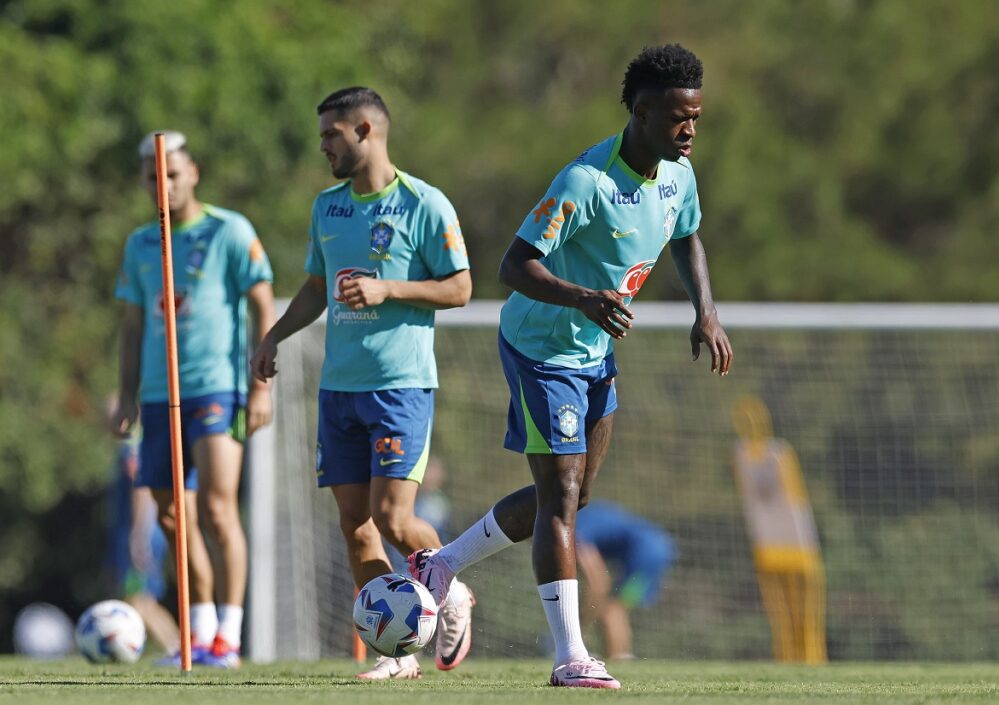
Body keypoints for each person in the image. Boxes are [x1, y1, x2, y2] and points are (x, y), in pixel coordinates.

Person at [410, 44, 732, 689]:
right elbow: (513, 265)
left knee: (578, 494)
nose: (690, 130)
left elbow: (686, 234)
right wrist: (584, 298)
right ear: (641, 113)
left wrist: (707, 312)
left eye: (696, 116)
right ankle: (570, 658)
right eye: (678, 118)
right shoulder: (585, 181)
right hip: (542, 348)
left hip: (595, 353)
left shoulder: (679, 175)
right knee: (561, 497)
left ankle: (440, 565)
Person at [250, 87, 475, 680]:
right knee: (356, 527)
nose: (323, 145)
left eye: (332, 134)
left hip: (400, 385)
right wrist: (274, 335)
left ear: (366, 132)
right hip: (338, 389)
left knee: (395, 519)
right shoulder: (328, 206)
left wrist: (389, 289)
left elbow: (459, 288)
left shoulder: (425, 204)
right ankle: (395, 653)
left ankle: (450, 592)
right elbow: (316, 285)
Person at [110, 131, 276, 668]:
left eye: (173, 174)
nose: (164, 185)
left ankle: (229, 635)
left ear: (193, 173)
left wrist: (259, 385)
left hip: (216, 387)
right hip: (158, 397)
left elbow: (261, 305)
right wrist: (128, 397)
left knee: (217, 507)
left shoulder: (229, 231)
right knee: (170, 514)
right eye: (154, 177)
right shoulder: (140, 245)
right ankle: (198, 631)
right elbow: (132, 327)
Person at [104, 397, 180, 655]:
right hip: (138, 532)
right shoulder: (135, 443)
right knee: (133, 599)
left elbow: (142, 491)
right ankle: (176, 648)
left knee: (140, 600)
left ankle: (178, 648)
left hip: (141, 533)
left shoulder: (132, 447)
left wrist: (139, 535)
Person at [574, 500, 675, 661]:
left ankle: (618, 661)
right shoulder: (581, 516)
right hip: (657, 546)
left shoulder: (573, 531)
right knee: (616, 607)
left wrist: (579, 625)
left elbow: (598, 581)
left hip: (647, 553)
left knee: (611, 608)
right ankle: (619, 658)